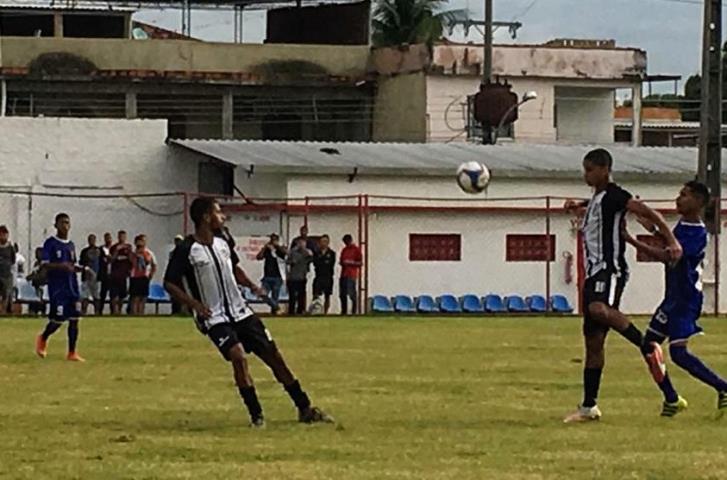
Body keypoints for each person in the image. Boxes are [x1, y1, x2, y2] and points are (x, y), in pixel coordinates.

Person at [163, 197, 333, 427]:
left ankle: (305, 408)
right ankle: (257, 416)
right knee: (238, 356)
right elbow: (169, 283)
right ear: (205, 217)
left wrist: (252, 286)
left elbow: (234, 269)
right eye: (218, 212)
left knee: (274, 357)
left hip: (241, 311)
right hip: (214, 318)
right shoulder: (186, 249)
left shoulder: (223, 242)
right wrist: (194, 305)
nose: (222, 217)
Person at [562, 148, 681, 423]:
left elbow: (646, 211)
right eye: (585, 169)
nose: (586, 175)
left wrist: (671, 240)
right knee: (593, 342)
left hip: (610, 269)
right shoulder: (598, 199)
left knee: (598, 308)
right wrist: (578, 205)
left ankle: (647, 344)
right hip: (593, 273)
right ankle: (589, 407)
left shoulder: (616, 195)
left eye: (590, 169)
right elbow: (598, 209)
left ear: (605, 169)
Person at [624, 181, 727, 418]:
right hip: (672, 299)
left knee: (678, 354)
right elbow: (671, 244)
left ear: (699, 203)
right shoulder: (682, 226)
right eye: (679, 194)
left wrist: (631, 240)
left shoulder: (698, 233)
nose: (678, 199)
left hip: (685, 301)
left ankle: (723, 387)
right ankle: (671, 398)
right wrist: (654, 230)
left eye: (684, 195)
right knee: (648, 345)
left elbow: (668, 257)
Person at [34, 213, 87, 362]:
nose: (65, 226)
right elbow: (44, 264)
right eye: (62, 223)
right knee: (58, 319)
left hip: (72, 286)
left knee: (75, 318)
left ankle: (72, 352)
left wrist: (83, 269)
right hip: (58, 287)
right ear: (56, 225)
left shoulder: (71, 245)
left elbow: (71, 264)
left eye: (67, 223)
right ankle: (43, 338)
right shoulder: (50, 243)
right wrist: (61, 266)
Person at [256, 233, 287, 314]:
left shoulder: (280, 249)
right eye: (272, 240)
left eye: (275, 240)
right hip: (267, 276)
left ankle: (274, 313)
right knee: (262, 294)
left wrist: (277, 247)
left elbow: (285, 254)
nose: (273, 242)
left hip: (278, 277)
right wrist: (264, 248)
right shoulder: (267, 249)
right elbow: (259, 257)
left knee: (275, 296)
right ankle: (276, 307)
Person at [129, 234, 157, 316]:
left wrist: (151, 275)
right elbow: (130, 262)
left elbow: (154, 265)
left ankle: (141, 313)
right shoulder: (133, 253)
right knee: (135, 298)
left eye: (143, 241)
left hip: (144, 277)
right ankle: (134, 313)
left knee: (143, 297)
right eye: (139, 241)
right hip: (135, 277)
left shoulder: (149, 253)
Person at [286, 238, 313, 315]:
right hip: (292, 277)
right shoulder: (292, 252)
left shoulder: (306, 252)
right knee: (292, 296)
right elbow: (287, 261)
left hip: (302, 277)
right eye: (300, 243)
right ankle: (291, 312)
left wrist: (308, 252)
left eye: (303, 243)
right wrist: (292, 262)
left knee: (301, 296)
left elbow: (312, 259)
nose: (301, 244)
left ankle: (300, 311)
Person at [79, 234, 104, 315]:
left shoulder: (100, 250)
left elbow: (103, 263)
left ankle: (97, 312)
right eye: (90, 239)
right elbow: (81, 263)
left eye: (93, 239)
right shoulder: (84, 251)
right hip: (86, 277)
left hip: (97, 277)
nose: (92, 241)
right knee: (85, 296)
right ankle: (84, 311)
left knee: (96, 296)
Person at [109, 230, 132, 315]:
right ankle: (115, 311)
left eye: (123, 236)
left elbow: (131, 260)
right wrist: (117, 250)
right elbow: (111, 259)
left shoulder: (128, 247)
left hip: (123, 275)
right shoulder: (114, 247)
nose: (122, 238)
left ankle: (120, 311)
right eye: (120, 236)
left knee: (122, 295)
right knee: (114, 295)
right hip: (115, 275)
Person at [339, 234, 362, 315]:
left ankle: (354, 311)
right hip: (343, 274)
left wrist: (350, 263)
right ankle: (343, 311)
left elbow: (360, 263)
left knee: (352, 294)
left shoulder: (356, 250)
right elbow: (341, 261)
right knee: (342, 294)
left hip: (351, 274)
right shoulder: (344, 250)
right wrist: (343, 263)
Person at [312, 235, 336, 314]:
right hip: (318, 276)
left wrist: (323, 262)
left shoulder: (332, 253)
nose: (324, 243)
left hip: (328, 277)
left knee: (327, 295)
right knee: (315, 295)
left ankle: (325, 312)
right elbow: (316, 263)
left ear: (328, 242)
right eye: (322, 241)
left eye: (325, 241)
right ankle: (315, 310)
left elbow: (330, 264)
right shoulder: (317, 253)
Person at [0, 226, 16, 314]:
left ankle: (4, 311)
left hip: (7, 275)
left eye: (5, 234)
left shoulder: (10, 248)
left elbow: (13, 260)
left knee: (6, 294)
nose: (4, 237)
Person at [26, 247, 46, 316]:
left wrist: (33, 278)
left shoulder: (45, 264)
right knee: (32, 297)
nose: (37, 255)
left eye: (39, 253)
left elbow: (42, 276)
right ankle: (32, 311)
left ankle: (41, 311)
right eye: (36, 253)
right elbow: (34, 273)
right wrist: (29, 277)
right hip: (35, 286)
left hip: (42, 285)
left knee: (40, 295)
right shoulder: (36, 264)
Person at [98, 232, 113, 314]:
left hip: (113, 275)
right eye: (107, 238)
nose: (109, 240)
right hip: (104, 275)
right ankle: (100, 311)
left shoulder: (114, 249)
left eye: (110, 238)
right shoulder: (101, 249)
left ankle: (113, 311)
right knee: (103, 294)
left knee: (113, 294)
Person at [170, 235, 185, 315]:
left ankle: (183, 311)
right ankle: (175, 311)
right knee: (174, 295)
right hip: (174, 277)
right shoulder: (172, 253)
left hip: (182, 277)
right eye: (177, 241)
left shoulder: (185, 252)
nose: (178, 242)